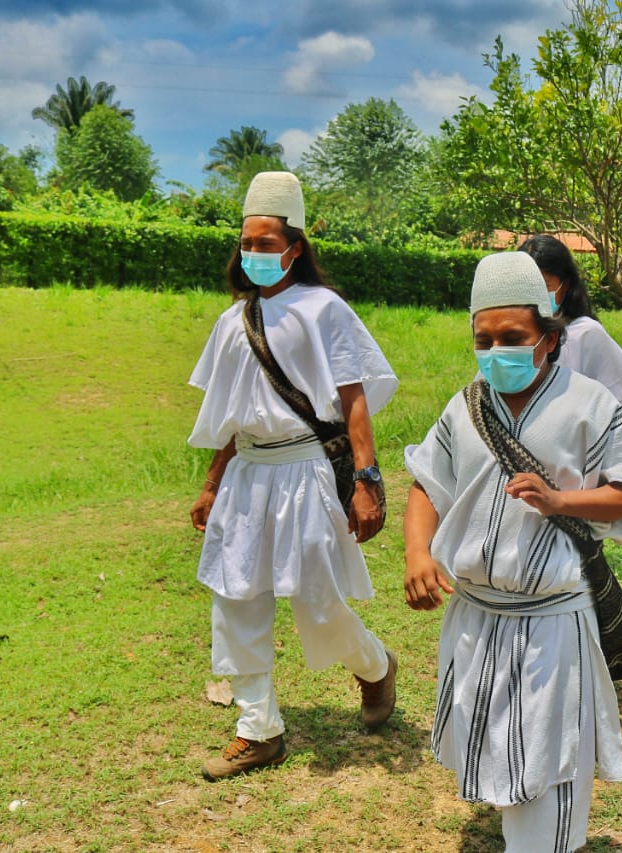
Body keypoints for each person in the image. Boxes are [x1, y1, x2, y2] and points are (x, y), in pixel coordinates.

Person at [403, 251, 622, 852]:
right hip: (475, 614)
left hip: (551, 618)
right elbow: (426, 486)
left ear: (549, 336)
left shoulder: (590, 403)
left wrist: (560, 500)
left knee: (548, 765)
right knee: (498, 747)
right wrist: (419, 554)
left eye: (513, 337)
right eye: (484, 339)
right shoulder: (463, 408)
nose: (497, 351)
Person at [188, 171, 400, 781]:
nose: (254, 254)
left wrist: (367, 479)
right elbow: (229, 415)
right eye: (246, 243)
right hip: (247, 474)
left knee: (319, 600)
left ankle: (375, 666)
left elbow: (353, 398)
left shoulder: (323, 308)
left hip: (305, 468)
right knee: (235, 597)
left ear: (295, 246)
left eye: (265, 242)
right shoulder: (234, 322)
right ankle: (259, 729)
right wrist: (211, 483)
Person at [518, 234, 622, 419]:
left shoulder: (584, 333)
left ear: (565, 285)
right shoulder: (506, 335)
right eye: (526, 287)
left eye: (544, 286)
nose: (535, 295)